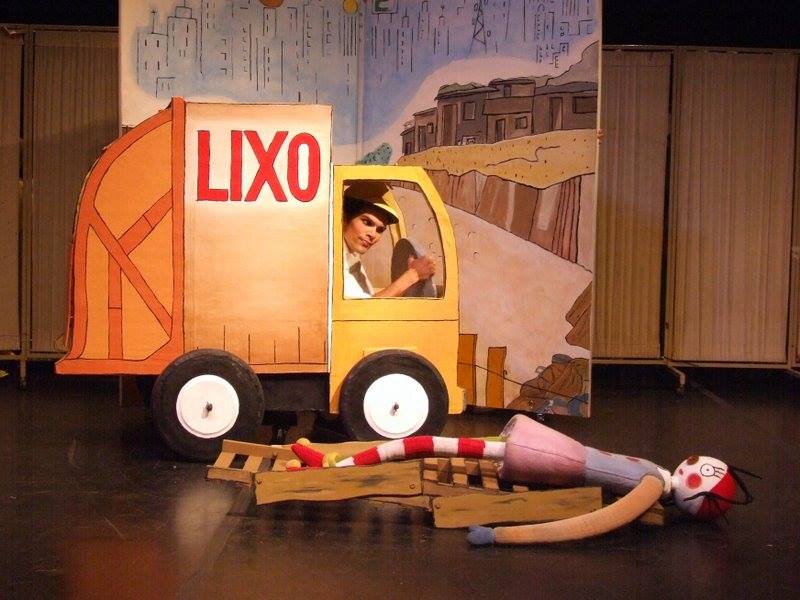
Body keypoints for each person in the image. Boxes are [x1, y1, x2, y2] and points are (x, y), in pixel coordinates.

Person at [342, 184, 436, 298]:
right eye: (367, 222)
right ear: (344, 219)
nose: (373, 234)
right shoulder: (331, 256)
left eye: (380, 230)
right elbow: (364, 307)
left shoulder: (352, 255)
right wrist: (413, 274)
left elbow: (370, 300)